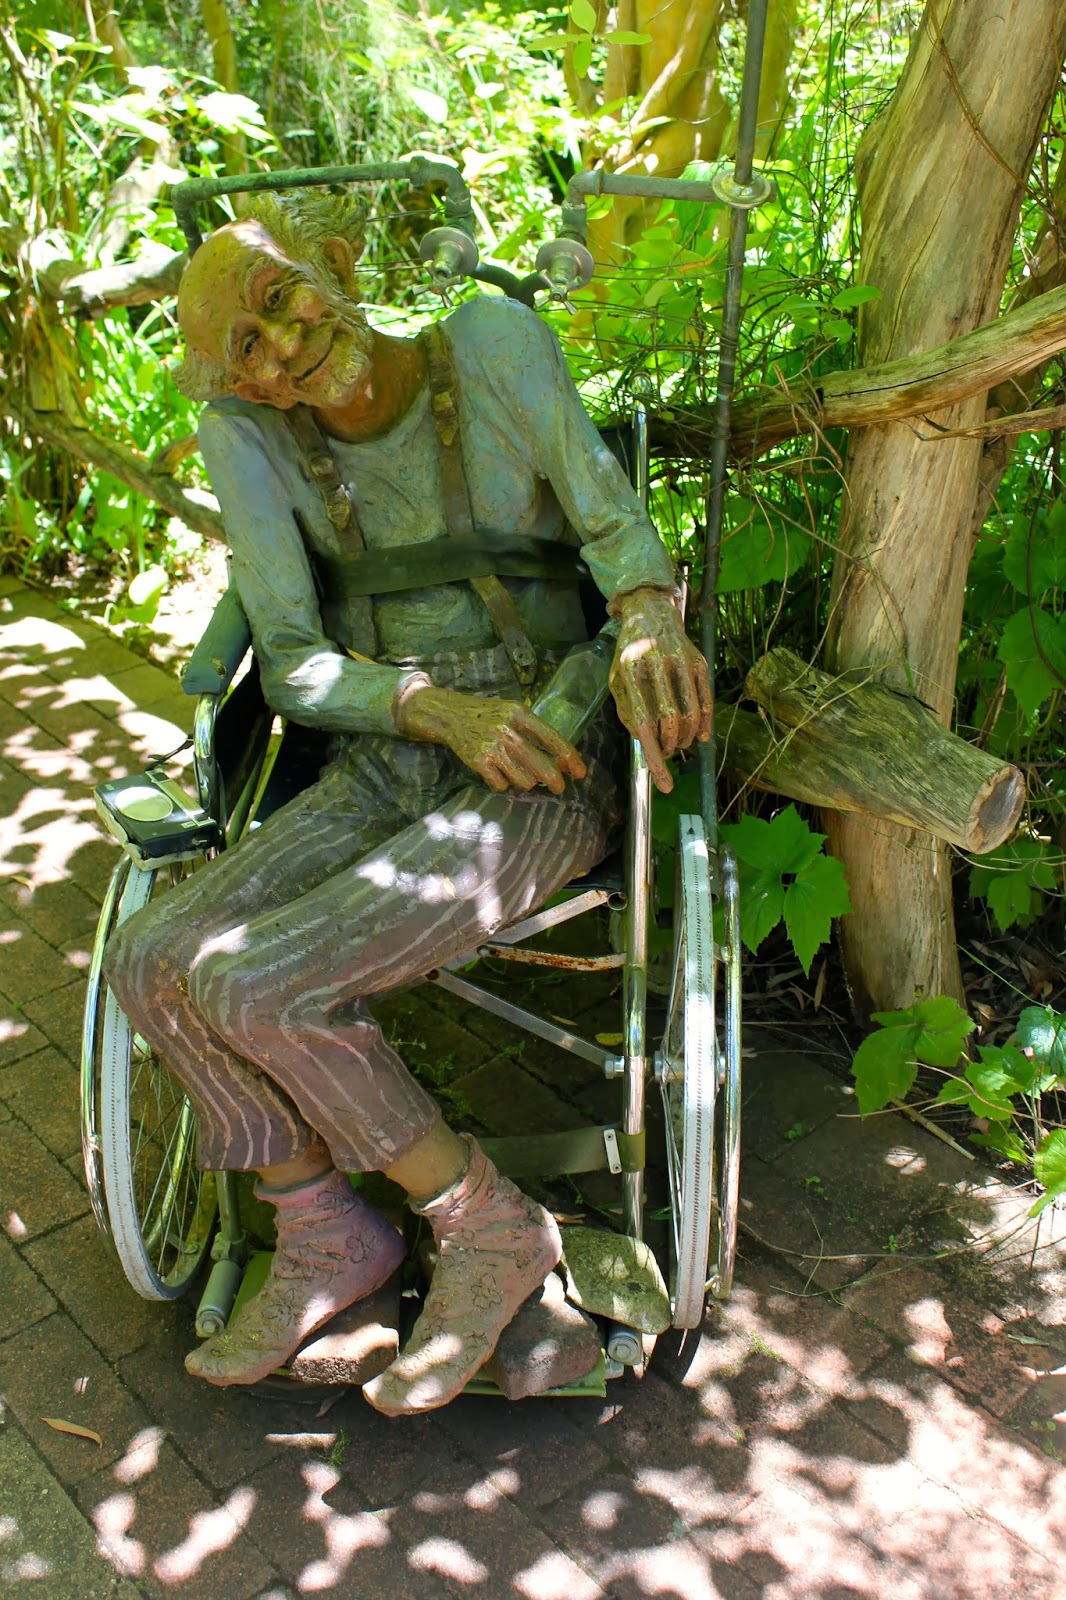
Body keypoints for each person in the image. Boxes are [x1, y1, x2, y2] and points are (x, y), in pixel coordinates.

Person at [104, 188, 711, 1416]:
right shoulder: (254, 436)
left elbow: (615, 528)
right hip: (388, 752)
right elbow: (291, 662)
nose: (283, 351)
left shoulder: (488, 342)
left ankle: (488, 1227)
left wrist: (647, 615)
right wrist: (430, 709)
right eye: (246, 351)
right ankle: (323, 1226)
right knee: (150, 959)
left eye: (281, 299)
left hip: (543, 755)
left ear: (334, 260)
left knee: (253, 986)